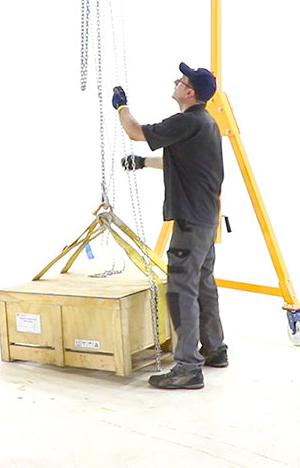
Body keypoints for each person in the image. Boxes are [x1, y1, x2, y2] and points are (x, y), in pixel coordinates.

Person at [112, 62, 227, 390]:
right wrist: (142, 163)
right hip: (206, 219)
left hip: (190, 221)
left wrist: (121, 107)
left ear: (190, 93)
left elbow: (135, 132)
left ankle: (188, 368)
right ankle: (215, 349)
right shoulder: (205, 123)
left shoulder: (186, 121)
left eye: (182, 80)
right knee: (203, 284)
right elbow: (179, 162)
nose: (177, 81)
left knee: (181, 289)